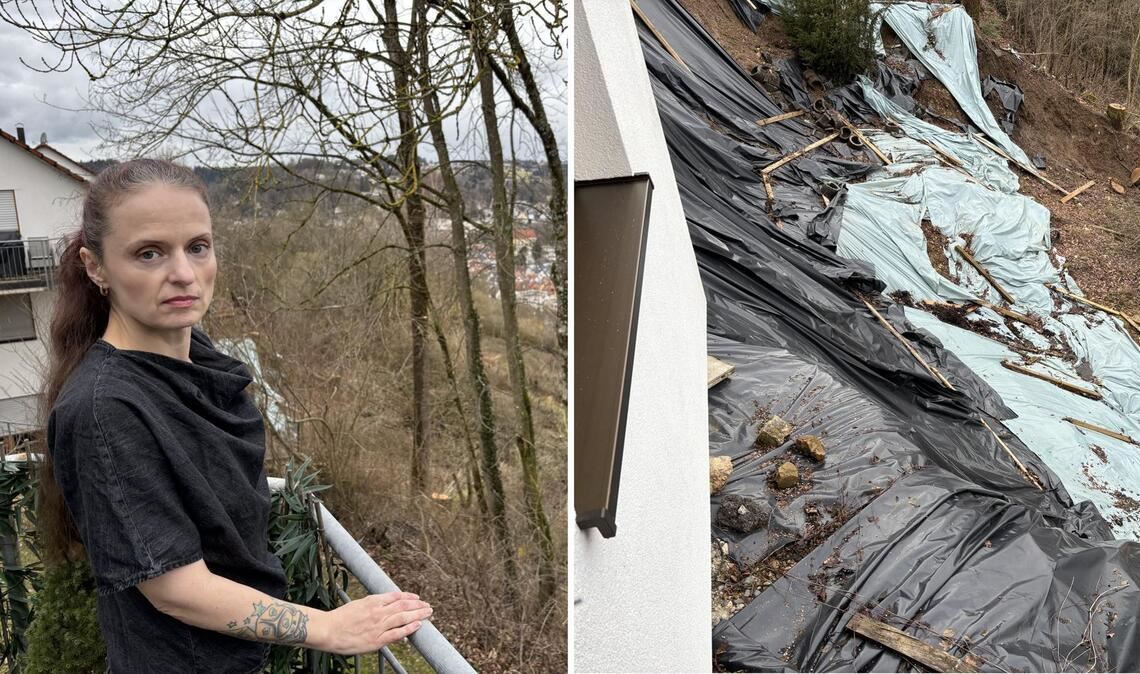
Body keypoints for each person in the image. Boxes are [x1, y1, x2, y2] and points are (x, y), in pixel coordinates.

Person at [39, 159, 432, 673]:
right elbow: (174, 587)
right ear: (96, 267)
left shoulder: (197, 362)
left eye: (198, 247)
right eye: (149, 253)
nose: (183, 273)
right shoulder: (106, 408)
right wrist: (328, 627)